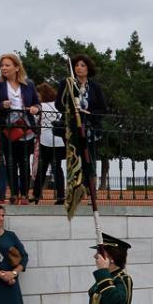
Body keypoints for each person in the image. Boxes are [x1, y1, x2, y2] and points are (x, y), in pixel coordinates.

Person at [0, 53, 40, 205]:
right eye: (2, 65)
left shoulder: (28, 84)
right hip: (6, 128)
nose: (4, 68)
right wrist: (1, 105)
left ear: (16, 67)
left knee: (24, 161)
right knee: (10, 161)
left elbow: (37, 103)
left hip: (25, 127)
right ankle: (14, 194)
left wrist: (35, 108)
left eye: (7, 65)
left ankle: (24, 195)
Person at [54, 54, 108, 188]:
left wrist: (89, 114)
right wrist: (72, 111)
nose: (79, 68)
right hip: (71, 128)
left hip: (90, 130)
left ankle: (91, 192)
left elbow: (103, 108)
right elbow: (59, 104)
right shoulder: (66, 83)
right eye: (76, 65)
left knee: (90, 160)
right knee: (74, 160)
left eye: (82, 65)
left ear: (88, 69)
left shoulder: (95, 87)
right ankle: (74, 191)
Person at [32, 83, 66, 204]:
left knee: (42, 167)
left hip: (46, 140)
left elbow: (36, 120)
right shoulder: (59, 106)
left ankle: (36, 194)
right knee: (57, 168)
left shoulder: (42, 106)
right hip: (60, 140)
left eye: (38, 94)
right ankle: (61, 196)